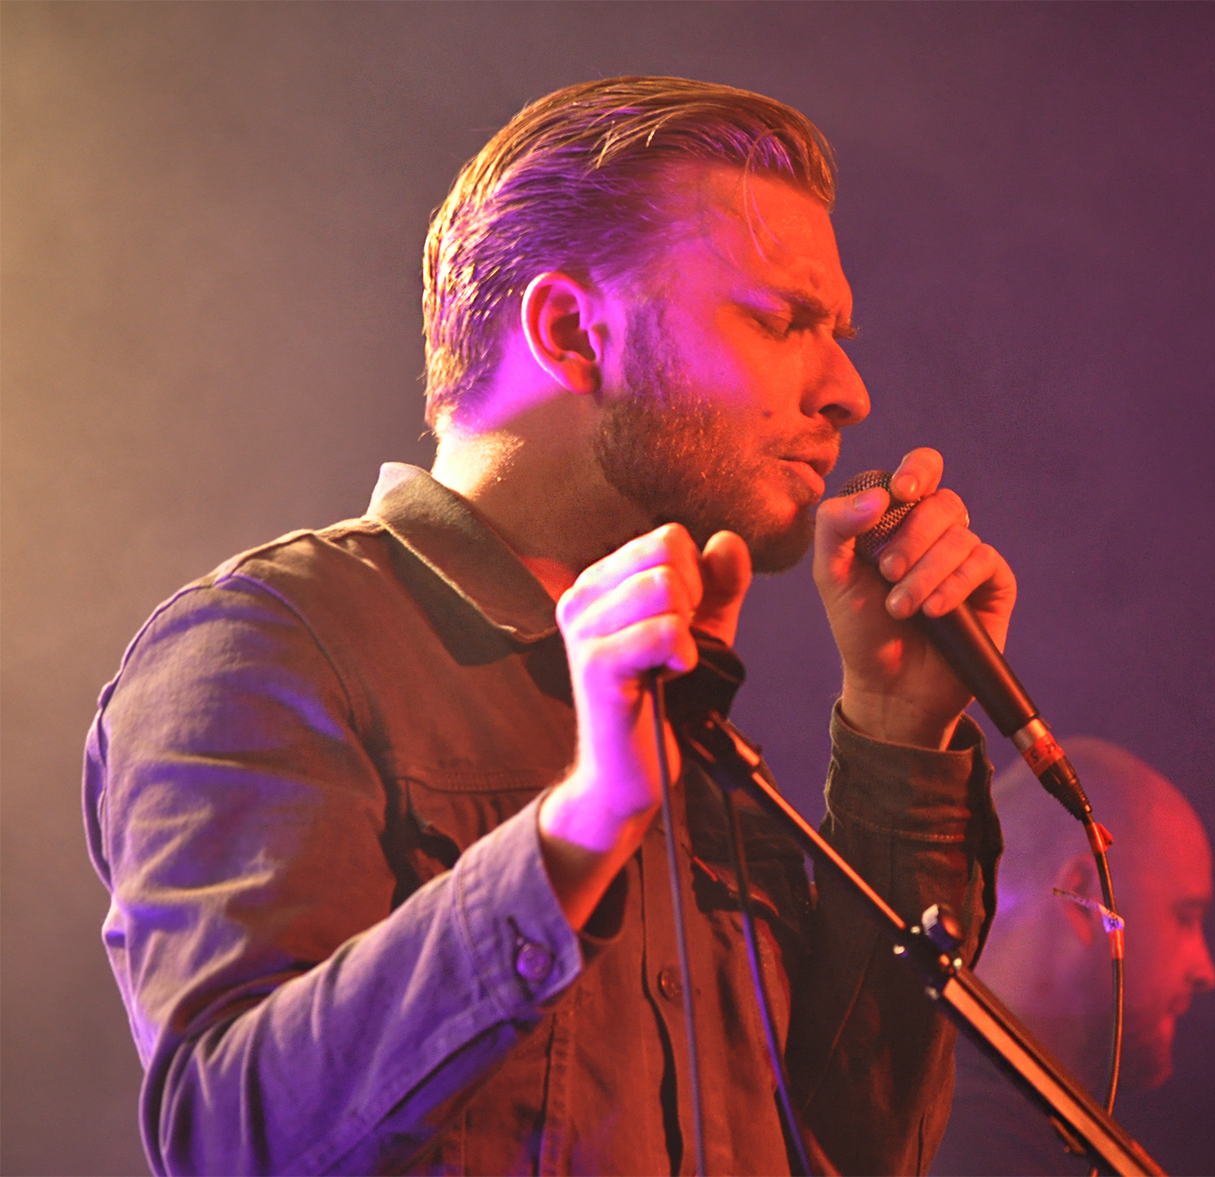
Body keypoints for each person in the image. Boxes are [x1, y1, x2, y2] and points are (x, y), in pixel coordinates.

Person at [83, 77, 1013, 1176]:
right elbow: (229, 1140)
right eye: (781, 319)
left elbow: (854, 1148)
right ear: (572, 331)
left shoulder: (686, 704)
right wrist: (579, 829)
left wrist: (898, 736)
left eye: (835, 333)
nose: (848, 389)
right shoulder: (270, 642)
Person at [929, 738, 1215, 1176]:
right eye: (1185, 918)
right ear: (1083, 896)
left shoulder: (992, 1116)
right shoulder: (976, 1139)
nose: (1206, 971)